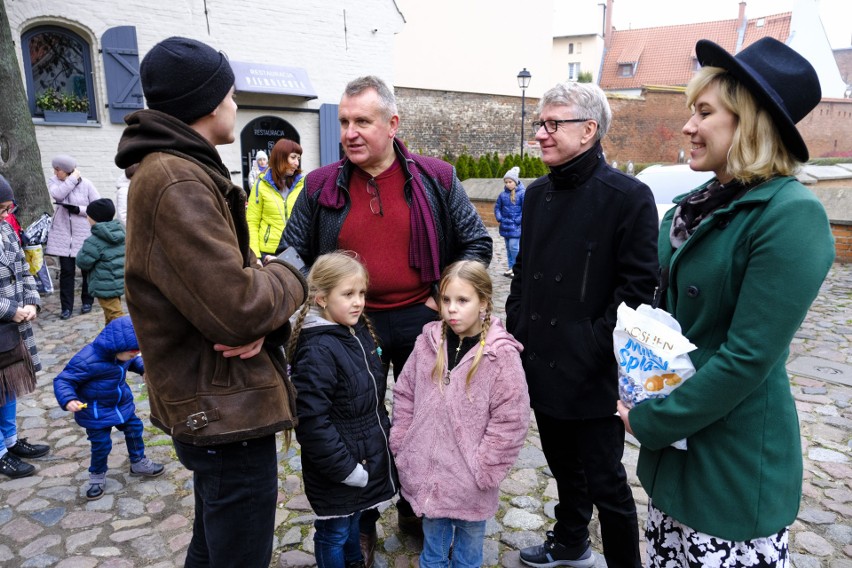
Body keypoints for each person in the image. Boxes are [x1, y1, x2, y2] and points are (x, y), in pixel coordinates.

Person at [616, 37, 835, 568]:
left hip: (731, 460)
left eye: (705, 112)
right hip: (679, 454)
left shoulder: (790, 215)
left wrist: (651, 420)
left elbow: (747, 357)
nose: (688, 126)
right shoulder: (689, 210)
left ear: (750, 123)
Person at [114, 36, 308, 568]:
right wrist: (291, 271)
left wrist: (260, 295)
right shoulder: (176, 179)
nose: (236, 104)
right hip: (224, 411)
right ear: (207, 102)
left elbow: (231, 295)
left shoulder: (180, 169)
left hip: (219, 403)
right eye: (229, 94)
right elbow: (239, 307)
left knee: (211, 547)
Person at [283, 75, 492, 563]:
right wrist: (272, 313)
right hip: (352, 329)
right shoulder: (320, 184)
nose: (351, 132)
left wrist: (447, 299)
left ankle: (417, 507)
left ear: (392, 124)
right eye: (344, 122)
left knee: (429, 418)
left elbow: (475, 244)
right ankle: (363, 517)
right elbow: (290, 254)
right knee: (358, 420)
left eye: (363, 121)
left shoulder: (436, 177)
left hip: (423, 323)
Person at [505, 81, 659, 568]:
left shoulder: (628, 196)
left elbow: (637, 293)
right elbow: (522, 274)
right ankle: (571, 539)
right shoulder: (535, 195)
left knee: (606, 483)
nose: (542, 135)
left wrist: (589, 344)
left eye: (554, 124)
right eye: (540, 125)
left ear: (589, 130)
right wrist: (519, 328)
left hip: (593, 371)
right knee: (561, 467)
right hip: (541, 358)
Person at [390, 260, 530, 568]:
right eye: (446, 300)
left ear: (483, 302)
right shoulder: (427, 343)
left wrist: (485, 467)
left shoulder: (500, 356)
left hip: (471, 482)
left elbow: (511, 420)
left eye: (462, 300)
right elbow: (404, 393)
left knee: (467, 556)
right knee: (433, 553)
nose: (452, 309)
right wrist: (402, 442)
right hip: (429, 476)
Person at [287, 251, 397, 568]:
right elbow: (311, 421)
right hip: (340, 466)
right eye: (348, 294)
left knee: (351, 522)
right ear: (321, 297)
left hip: (360, 458)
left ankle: (354, 562)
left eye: (361, 293)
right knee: (333, 531)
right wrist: (345, 468)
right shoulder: (319, 348)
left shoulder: (354, 332)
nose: (358, 302)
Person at [53, 315, 165, 500]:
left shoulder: (122, 355)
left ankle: (138, 462)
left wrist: (144, 368)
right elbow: (64, 380)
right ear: (117, 347)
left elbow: (132, 362)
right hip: (95, 412)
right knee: (101, 445)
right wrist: (68, 399)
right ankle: (97, 477)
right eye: (132, 352)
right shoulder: (87, 360)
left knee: (135, 429)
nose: (133, 356)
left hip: (121, 406)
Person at [0, 175, 50, 480]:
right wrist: (10, 311)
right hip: (6, 321)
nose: (6, 216)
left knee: (9, 388)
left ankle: (10, 441)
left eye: (7, 209)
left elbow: (24, 271)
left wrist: (32, 303)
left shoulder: (6, 228)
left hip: (13, 328)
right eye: (1, 209)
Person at [46, 154, 100, 320]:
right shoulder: (55, 181)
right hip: (63, 236)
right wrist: (72, 180)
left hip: (83, 235)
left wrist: (79, 210)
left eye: (58, 169)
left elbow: (97, 205)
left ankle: (87, 302)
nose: (55, 172)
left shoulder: (87, 184)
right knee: (66, 272)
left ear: (67, 170)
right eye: (55, 169)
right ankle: (66, 308)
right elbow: (58, 195)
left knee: (87, 271)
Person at [247, 138, 304, 261]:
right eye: (293, 157)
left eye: (298, 159)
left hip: (295, 251)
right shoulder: (260, 185)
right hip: (267, 252)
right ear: (280, 157)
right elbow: (252, 222)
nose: (297, 163)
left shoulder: (302, 185)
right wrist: (256, 256)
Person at [76, 198, 126, 324]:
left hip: (104, 286)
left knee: (116, 316)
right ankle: (111, 341)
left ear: (95, 218)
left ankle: (130, 340)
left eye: (89, 216)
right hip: (120, 281)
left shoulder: (94, 241)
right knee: (110, 316)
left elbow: (82, 262)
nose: (87, 218)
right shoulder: (121, 232)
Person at [493, 166, 525, 277]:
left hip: (516, 226)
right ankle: (511, 267)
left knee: (514, 247)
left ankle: (518, 268)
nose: (508, 184)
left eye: (510, 181)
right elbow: (497, 207)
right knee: (508, 248)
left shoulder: (522, 193)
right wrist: (499, 217)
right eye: (506, 182)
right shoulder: (502, 195)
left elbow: (526, 208)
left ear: (515, 182)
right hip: (505, 225)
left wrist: (518, 220)